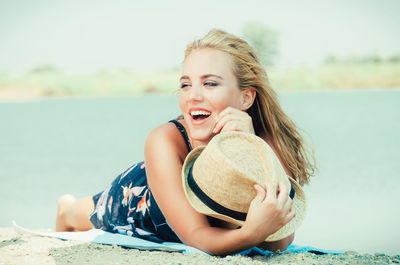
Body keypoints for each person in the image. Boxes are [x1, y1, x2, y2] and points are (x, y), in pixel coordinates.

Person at [55, 29, 316, 255]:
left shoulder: (265, 144)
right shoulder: (165, 140)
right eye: (186, 84)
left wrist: (245, 148)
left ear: (246, 98)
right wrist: (250, 234)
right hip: (139, 198)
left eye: (210, 83)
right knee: (80, 213)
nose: (193, 96)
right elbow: (197, 236)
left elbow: (281, 238)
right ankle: (65, 207)